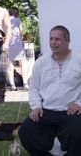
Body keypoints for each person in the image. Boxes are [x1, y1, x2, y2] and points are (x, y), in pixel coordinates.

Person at [18, 25, 81, 155]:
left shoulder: (79, 60)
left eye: (57, 39)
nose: (53, 42)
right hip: (45, 110)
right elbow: (34, 87)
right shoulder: (41, 62)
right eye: (51, 39)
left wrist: (79, 103)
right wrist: (36, 106)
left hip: (70, 111)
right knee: (25, 131)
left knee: (78, 132)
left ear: (67, 41)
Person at [7, 7, 28, 91]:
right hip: (17, 43)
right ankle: (25, 84)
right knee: (23, 63)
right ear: (16, 13)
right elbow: (21, 32)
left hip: (8, 43)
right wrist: (26, 36)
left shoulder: (5, 20)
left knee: (10, 64)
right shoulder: (17, 20)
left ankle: (12, 85)